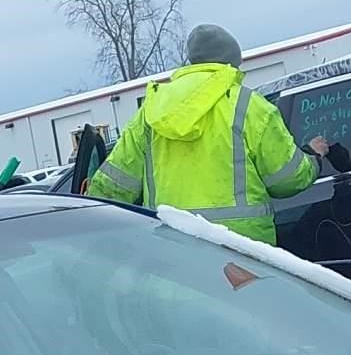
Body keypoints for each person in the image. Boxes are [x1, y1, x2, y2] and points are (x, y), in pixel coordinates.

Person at [84, 24, 330, 243]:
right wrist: (313, 157)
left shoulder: (151, 112)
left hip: (173, 249)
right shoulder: (249, 106)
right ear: (232, 62)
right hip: (242, 256)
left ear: (192, 62)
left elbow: (112, 188)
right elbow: (287, 179)